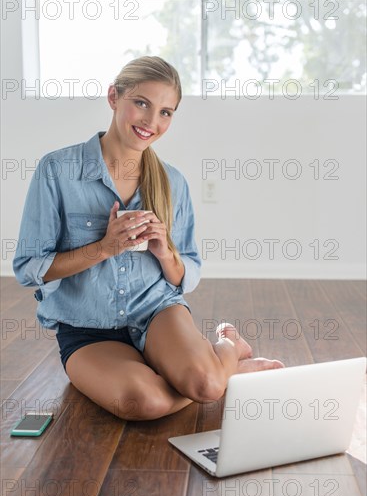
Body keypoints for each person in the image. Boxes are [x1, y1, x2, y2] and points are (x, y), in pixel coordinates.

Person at [13, 56, 284, 421]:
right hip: (87, 330)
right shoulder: (57, 171)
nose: (151, 122)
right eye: (141, 103)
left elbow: (185, 274)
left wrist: (165, 253)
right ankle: (230, 366)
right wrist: (104, 248)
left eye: (166, 112)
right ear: (113, 97)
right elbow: (29, 269)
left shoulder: (173, 182)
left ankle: (220, 357)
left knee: (205, 385)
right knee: (146, 402)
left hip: (157, 311)